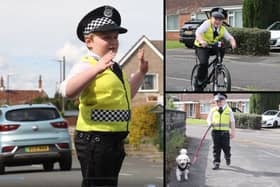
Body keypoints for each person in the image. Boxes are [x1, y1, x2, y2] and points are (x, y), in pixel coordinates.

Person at [59, 5, 148, 187]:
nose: (113, 41)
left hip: (114, 139)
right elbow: (67, 91)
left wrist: (141, 73)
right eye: (106, 37)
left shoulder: (115, 67)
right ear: (89, 41)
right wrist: (96, 69)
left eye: (115, 37)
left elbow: (126, 96)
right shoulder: (88, 64)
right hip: (95, 139)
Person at [194, 7, 237, 91]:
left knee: (221, 47)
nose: (217, 21)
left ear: (222, 21)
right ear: (211, 18)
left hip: (212, 46)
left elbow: (230, 38)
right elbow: (198, 32)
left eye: (220, 19)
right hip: (201, 46)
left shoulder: (222, 29)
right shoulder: (207, 24)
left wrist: (233, 43)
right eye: (215, 18)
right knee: (203, 64)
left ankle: (218, 65)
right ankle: (198, 81)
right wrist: (202, 41)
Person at [207, 93, 235, 170]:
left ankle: (227, 157)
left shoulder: (229, 110)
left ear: (224, 101)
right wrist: (210, 123)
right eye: (217, 101)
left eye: (220, 101)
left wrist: (233, 132)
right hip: (215, 132)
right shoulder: (213, 110)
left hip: (225, 133)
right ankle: (216, 163)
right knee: (216, 148)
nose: (218, 103)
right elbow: (208, 119)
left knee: (226, 148)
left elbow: (232, 121)